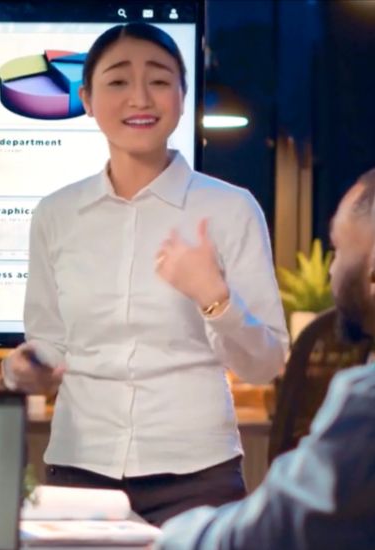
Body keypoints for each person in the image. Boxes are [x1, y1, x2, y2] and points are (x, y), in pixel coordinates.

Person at [2, 23, 289, 525]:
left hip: (198, 477)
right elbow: (47, 344)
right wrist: (23, 372)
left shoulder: (229, 208)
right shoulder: (56, 214)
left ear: (182, 97)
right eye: (117, 81)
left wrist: (215, 298)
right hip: (77, 475)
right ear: (87, 99)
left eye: (159, 80)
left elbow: (264, 364)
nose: (140, 97)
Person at [156, 170, 375, 549]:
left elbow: (270, 531)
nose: (332, 268)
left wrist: (166, 539)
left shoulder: (366, 404)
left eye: (339, 249)